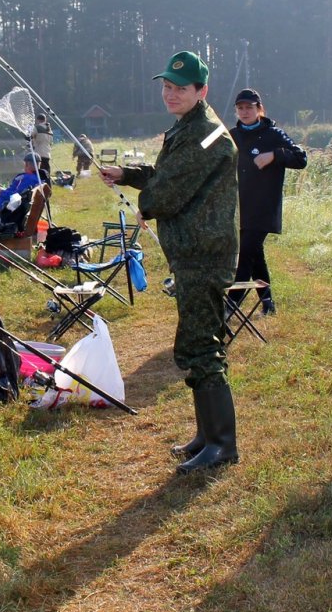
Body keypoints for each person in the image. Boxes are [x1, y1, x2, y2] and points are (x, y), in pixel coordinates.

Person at [101, 50, 240, 474]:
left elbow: (168, 191)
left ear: (202, 91)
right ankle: (206, 435)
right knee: (199, 341)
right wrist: (127, 175)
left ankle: (222, 445)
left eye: (180, 88)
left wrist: (147, 202)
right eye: (166, 86)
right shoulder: (189, 128)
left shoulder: (207, 136)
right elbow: (166, 173)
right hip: (192, 252)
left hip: (204, 254)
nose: (170, 94)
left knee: (200, 346)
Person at [228, 88, 307, 316]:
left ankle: (230, 307)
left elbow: (301, 158)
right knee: (255, 255)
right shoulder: (232, 135)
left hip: (264, 207)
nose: (244, 112)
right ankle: (268, 302)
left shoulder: (274, 134)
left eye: (249, 107)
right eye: (240, 108)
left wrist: (274, 155)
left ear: (259, 109)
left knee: (245, 254)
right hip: (241, 207)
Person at [0, 154, 43, 236]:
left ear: (27, 164)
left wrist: (2, 192)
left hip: (2, 212)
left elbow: (17, 197)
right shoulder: (36, 178)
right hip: (8, 211)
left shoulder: (27, 178)